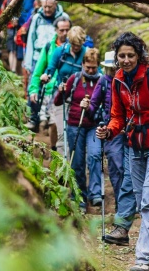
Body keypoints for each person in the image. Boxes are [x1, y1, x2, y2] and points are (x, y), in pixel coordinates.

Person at [96, 32, 149, 271]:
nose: (125, 60)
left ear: (139, 55)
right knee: (147, 201)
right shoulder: (118, 81)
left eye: (130, 55)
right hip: (135, 147)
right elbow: (117, 116)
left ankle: (143, 259)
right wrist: (109, 131)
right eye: (121, 56)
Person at [81, 51, 136, 246]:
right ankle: (123, 209)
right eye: (111, 67)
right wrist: (86, 106)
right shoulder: (104, 81)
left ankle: (127, 209)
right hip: (111, 130)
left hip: (128, 130)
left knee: (129, 169)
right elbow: (94, 106)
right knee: (116, 168)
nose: (113, 70)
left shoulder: (128, 80)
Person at [54, 48, 103, 213]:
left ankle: (95, 193)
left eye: (93, 68)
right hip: (75, 124)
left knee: (95, 156)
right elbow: (57, 102)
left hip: (94, 124)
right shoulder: (75, 79)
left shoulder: (101, 81)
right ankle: (79, 195)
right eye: (88, 67)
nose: (90, 71)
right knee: (78, 162)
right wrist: (60, 91)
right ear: (82, 64)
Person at [23, 0, 69, 131]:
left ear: (56, 4)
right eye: (45, 6)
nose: (47, 9)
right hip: (39, 54)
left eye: (50, 6)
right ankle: (34, 117)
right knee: (34, 84)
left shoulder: (64, 17)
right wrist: (28, 61)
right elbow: (31, 39)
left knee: (52, 85)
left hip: (58, 54)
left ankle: (49, 118)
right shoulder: (37, 17)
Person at [42, 26, 88, 156]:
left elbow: (94, 72)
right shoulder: (60, 52)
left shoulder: (86, 54)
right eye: (73, 44)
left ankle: (72, 161)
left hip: (78, 99)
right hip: (61, 97)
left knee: (73, 131)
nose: (75, 47)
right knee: (59, 130)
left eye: (78, 45)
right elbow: (50, 68)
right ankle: (58, 159)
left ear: (83, 42)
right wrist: (47, 76)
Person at [27, 16, 72, 150]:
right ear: (55, 30)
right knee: (54, 122)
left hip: (69, 90)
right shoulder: (48, 47)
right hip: (50, 92)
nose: (64, 33)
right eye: (61, 30)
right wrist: (34, 90)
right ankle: (54, 149)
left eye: (67, 30)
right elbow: (38, 71)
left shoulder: (75, 48)